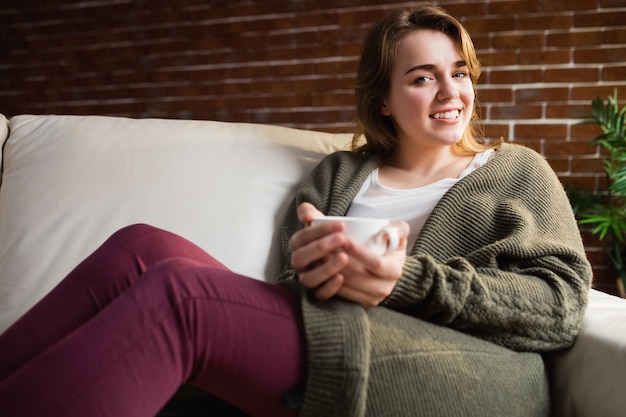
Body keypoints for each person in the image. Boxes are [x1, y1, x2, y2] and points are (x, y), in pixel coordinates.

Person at [0, 4, 592, 417]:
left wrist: (402, 280)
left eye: (458, 73)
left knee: (181, 295)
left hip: (468, 373)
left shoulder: (516, 169)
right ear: (383, 101)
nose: (450, 92)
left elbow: (561, 306)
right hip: (339, 332)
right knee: (141, 249)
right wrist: (317, 269)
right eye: (422, 78)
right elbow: (291, 284)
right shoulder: (337, 174)